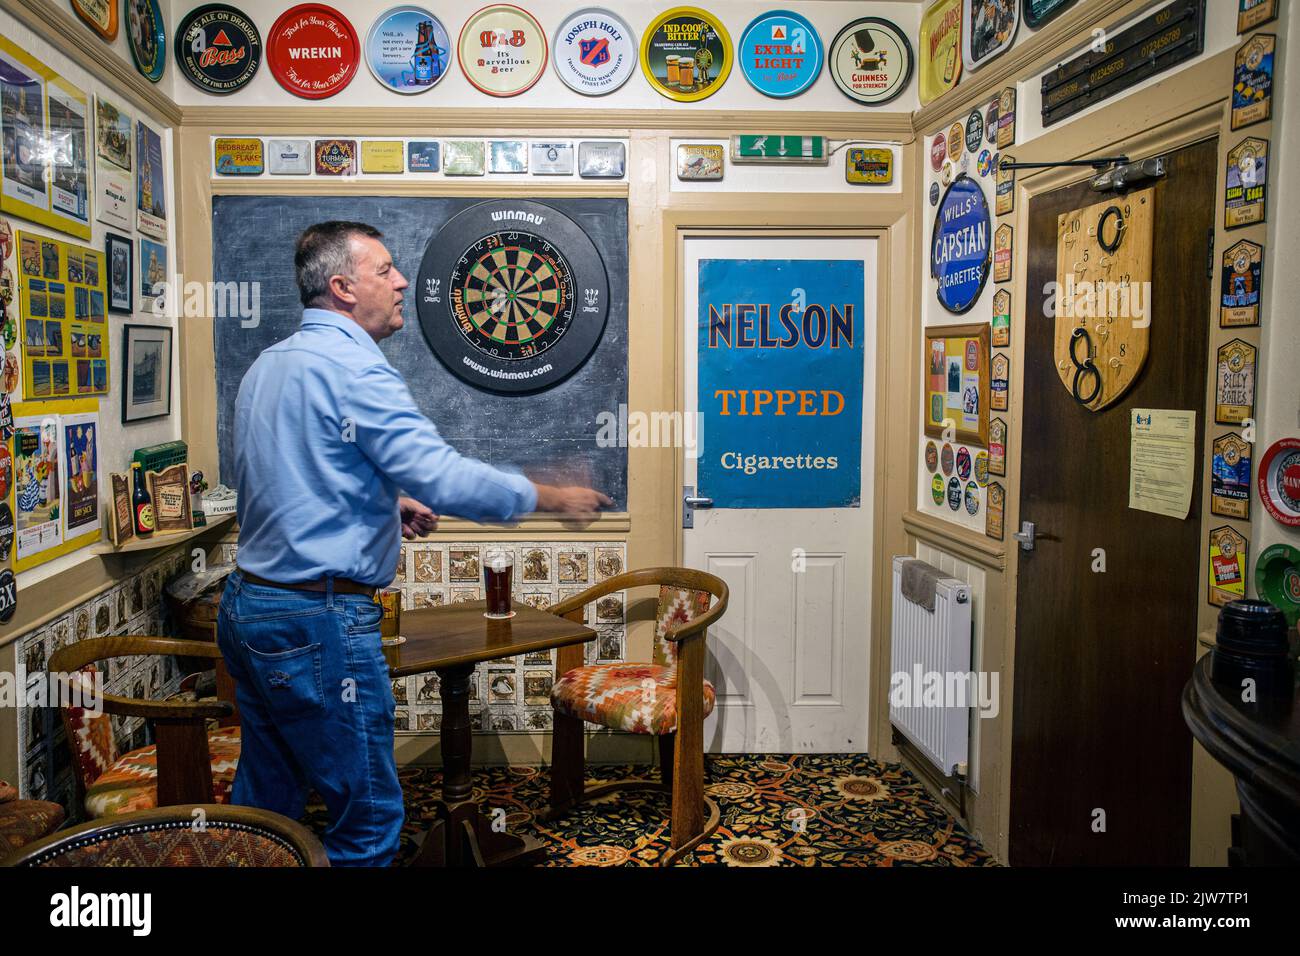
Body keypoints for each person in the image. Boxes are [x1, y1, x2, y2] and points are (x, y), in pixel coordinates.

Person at [217, 221, 611, 866]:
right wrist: (551, 496)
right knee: (367, 820)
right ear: (343, 287)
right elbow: (444, 477)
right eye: (384, 270)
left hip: (250, 608)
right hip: (318, 619)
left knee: (267, 806)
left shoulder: (270, 364)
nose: (401, 282)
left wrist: (380, 500)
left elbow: (285, 471)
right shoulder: (355, 371)